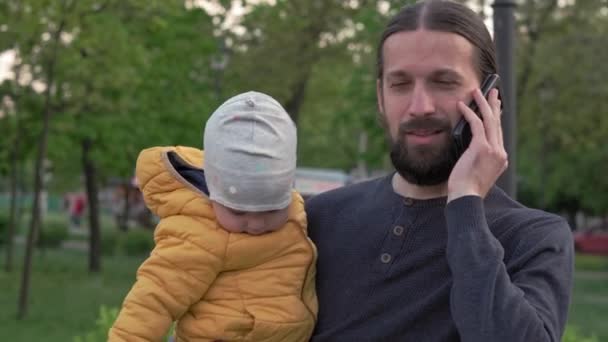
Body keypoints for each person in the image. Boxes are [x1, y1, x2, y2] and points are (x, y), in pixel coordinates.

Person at [306, 1, 573, 341]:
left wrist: (465, 205)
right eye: (399, 84)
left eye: (444, 82)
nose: (419, 107)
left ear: (490, 99)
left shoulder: (533, 238)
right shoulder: (319, 218)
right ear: (380, 96)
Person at [109, 91, 317, 342]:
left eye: (271, 209)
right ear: (213, 193)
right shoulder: (199, 233)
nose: (256, 224)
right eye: (238, 211)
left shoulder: (294, 210)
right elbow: (153, 301)